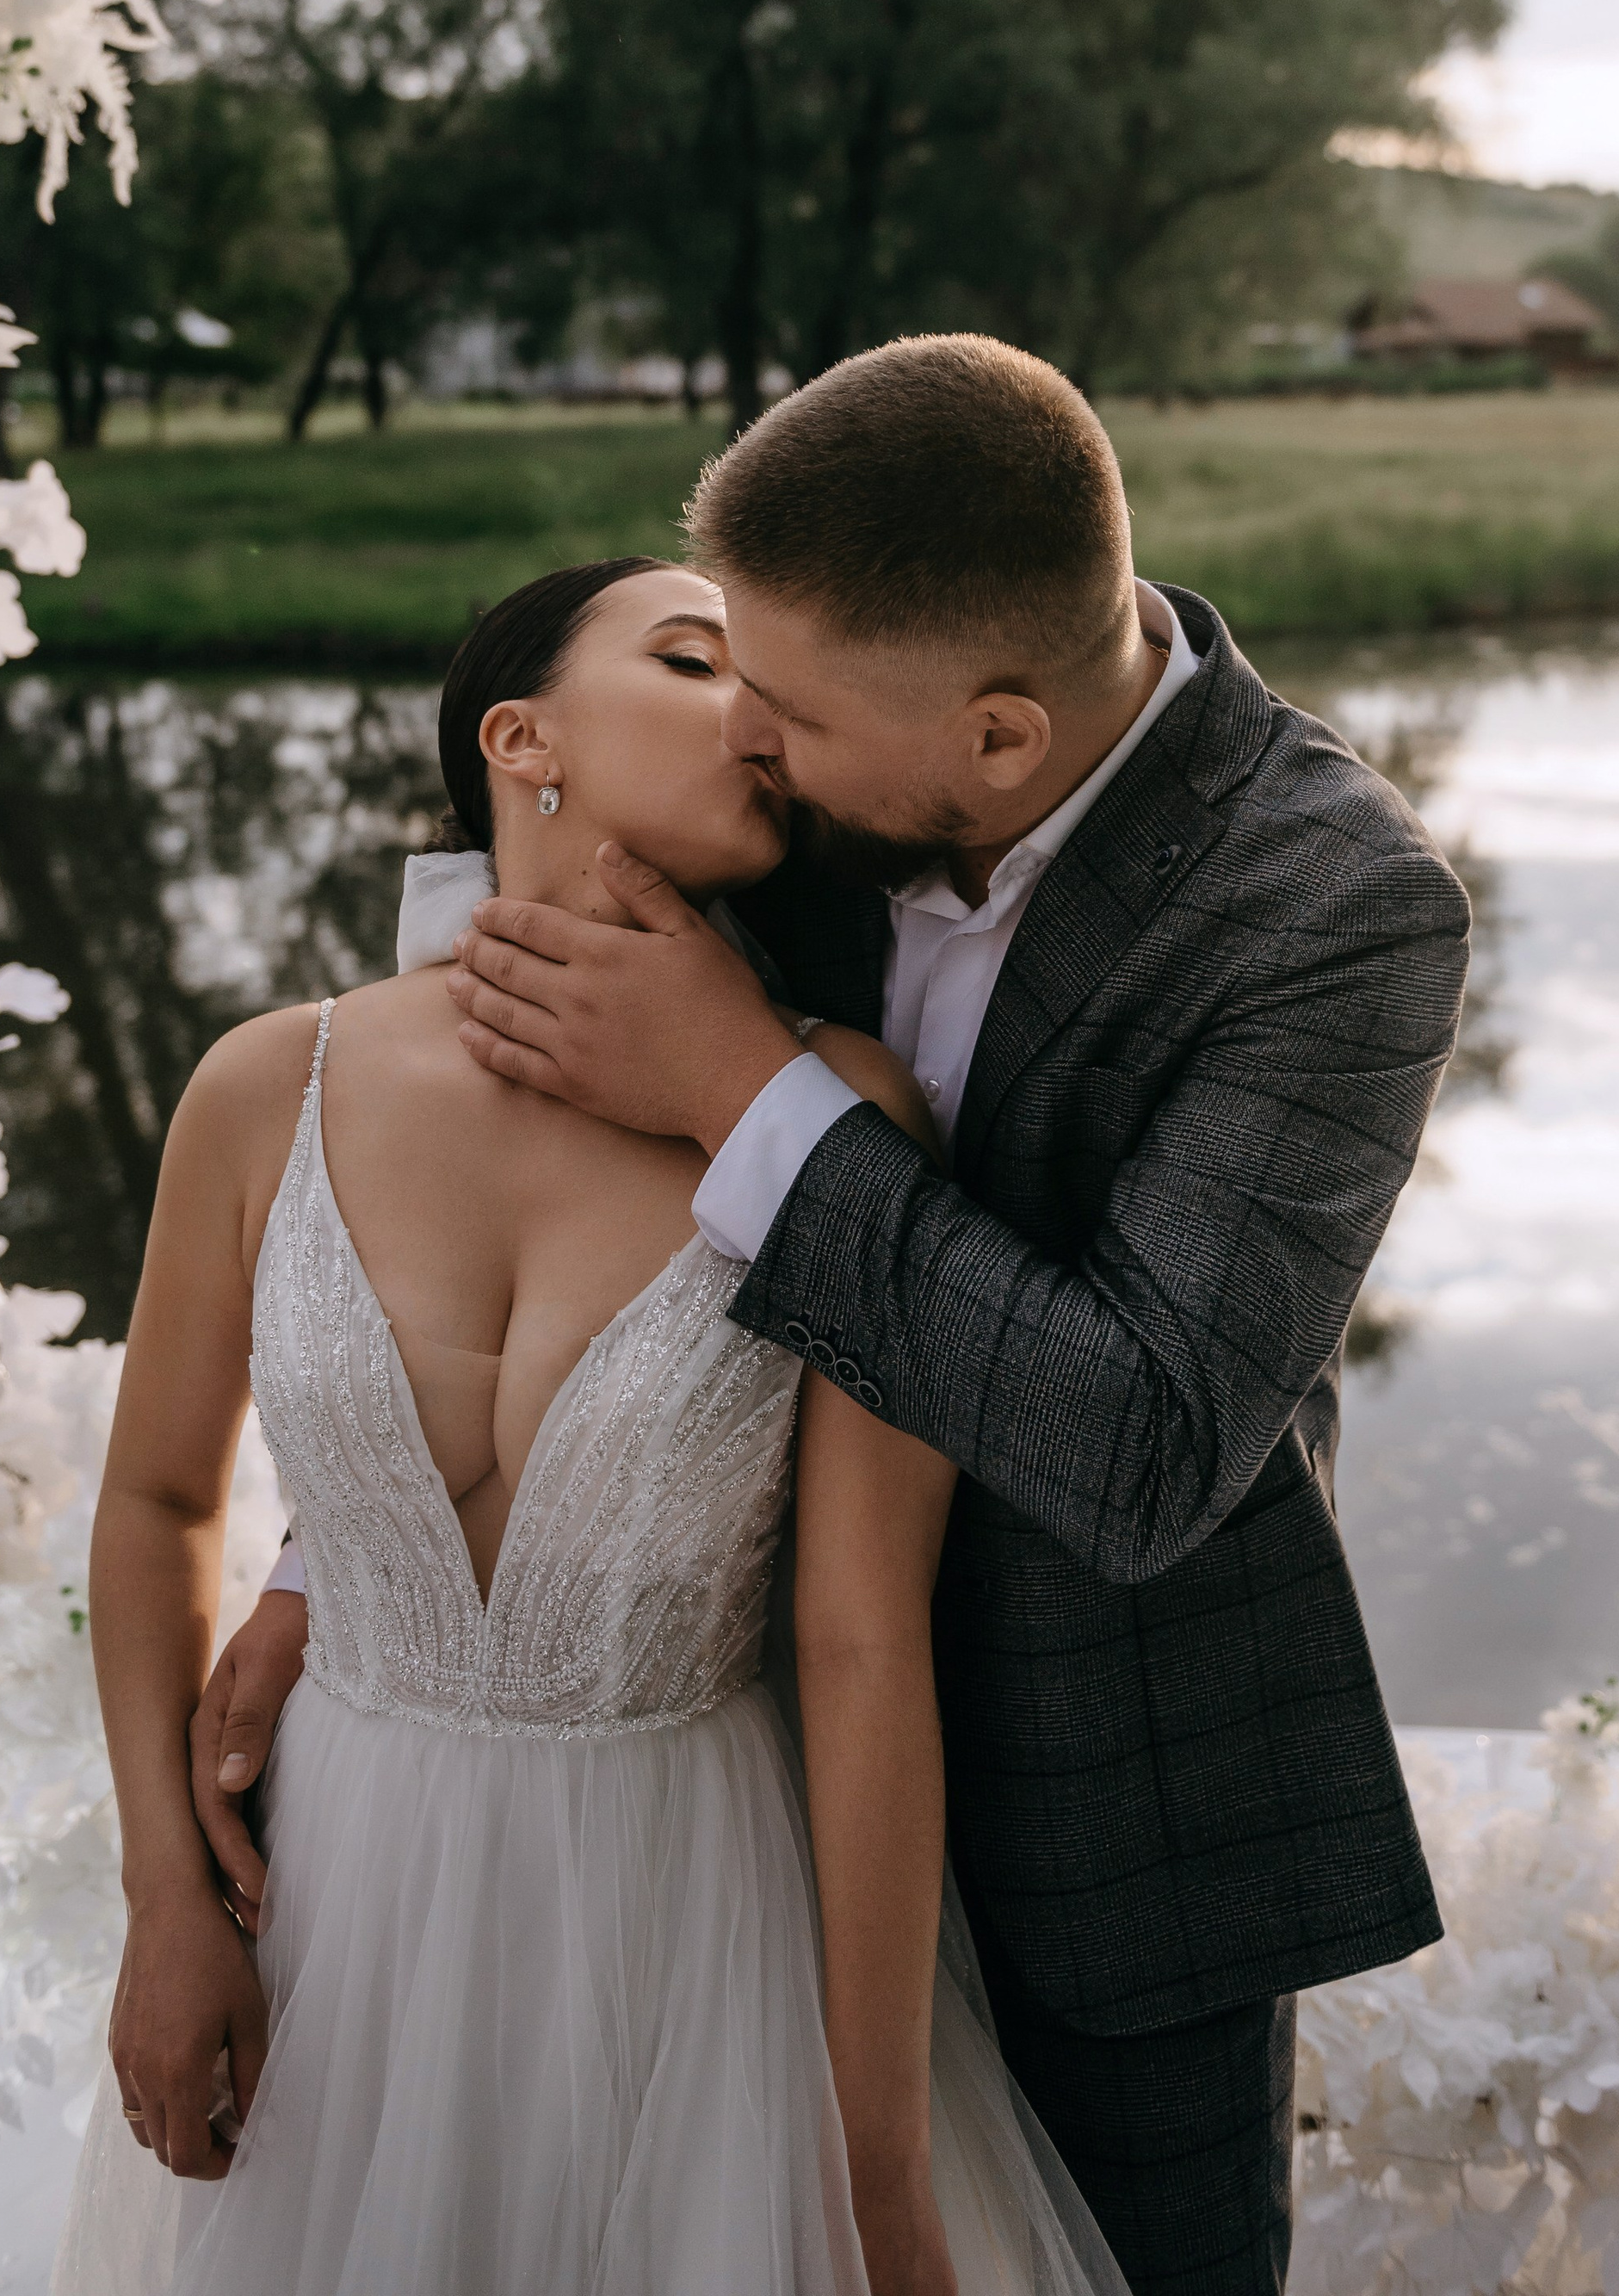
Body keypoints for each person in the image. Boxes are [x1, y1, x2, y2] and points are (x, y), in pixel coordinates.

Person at [202, 336, 1472, 2295]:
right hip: (691, 1808)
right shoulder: (800, 792)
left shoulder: (1334, 909)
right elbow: (490, 1119)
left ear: (993, 740)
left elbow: (1138, 1445)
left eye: (780, 705)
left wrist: (742, 1093)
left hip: (1107, 1812)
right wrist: (358, 1552)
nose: (748, 744)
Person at [56, 553, 1127, 2296]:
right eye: (696, 658)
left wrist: (878, 2174)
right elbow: (157, 1497)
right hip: (334, 1912)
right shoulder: (268, 1083)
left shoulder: (837, 1119)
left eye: (775, 684)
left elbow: (863, 1648)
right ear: (519, 736)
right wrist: (165, 1899)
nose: (756, 714)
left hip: (691, 1931)